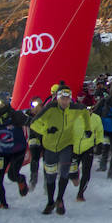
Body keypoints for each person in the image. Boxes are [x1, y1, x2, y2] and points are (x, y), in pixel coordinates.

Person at [30, 85, 92, 215]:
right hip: (50, 146)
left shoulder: (75, 108)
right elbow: (34, 123)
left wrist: (88, 129)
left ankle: (60, 199)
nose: (65, 102)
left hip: (66, 145)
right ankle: (50, 201)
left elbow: (86, 112)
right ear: (58, 99)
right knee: (51, 176)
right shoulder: (50, 108)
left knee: (64, 172)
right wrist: (46, 130)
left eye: (67, 99)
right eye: (62, 99)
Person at [69, 103, 103, 201]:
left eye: (90, 109)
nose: (88, 111)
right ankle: (74, 176)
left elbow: (99, 131)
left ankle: (80, 193)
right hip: (74, 148)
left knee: (86, 171)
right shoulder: (74, 117)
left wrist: (99, 143)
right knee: (72, 173)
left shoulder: (96, 118)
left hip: (88, 148)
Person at [26, 97, 45, 190]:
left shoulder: (46, 113)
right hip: (34, 137)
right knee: (34, 157)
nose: (36, 108)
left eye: (38, 105)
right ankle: (33, 179)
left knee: (47, 159)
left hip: (45, 137)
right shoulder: (28, 115)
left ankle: (47, 181)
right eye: (33, 106)